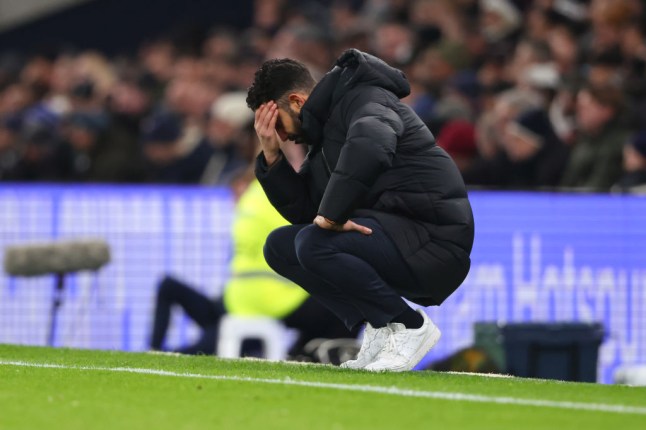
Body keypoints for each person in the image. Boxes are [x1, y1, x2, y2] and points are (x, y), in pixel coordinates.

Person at [246, 49, 475, 372]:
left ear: (297, 102)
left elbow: (372, 144)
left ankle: (409, 325)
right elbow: (307, 216)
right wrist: (272, 157)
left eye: (278, 126)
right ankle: (381, 328)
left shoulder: (365, 97)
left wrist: (333, 215)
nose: (282, 136)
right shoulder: (323, 138)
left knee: (312, 242)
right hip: (395, 235)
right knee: (281, 246)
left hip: (433, 239)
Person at [149, 171, 356, 357]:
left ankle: (156, 350)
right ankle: (309, 353)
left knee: (173, 293)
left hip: (237, 301)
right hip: (265, 303)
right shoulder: (267, 202)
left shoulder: (247, 209)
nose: (233, 199)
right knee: (347, 307)